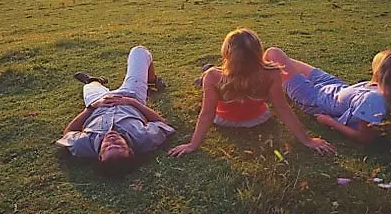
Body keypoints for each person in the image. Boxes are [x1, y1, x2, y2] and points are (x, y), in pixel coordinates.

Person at [168, 28, 335, 157]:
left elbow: (207, 114)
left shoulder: (213, 76)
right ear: (258, 52)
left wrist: (192, 145)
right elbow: (282, 109)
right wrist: (307, 140)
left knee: (209, 77)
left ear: (226, 53)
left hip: (224, 121)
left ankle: (206, 78)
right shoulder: (272, 73)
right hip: (258, 119)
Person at [264, 47, 391, 144]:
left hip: (314, 98)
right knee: (286, 61)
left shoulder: (373, 101)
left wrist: (331, 122)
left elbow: (364, 138)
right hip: (336, 86)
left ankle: (262, 88)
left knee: (273, 54)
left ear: (379, 74)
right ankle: (268, 81)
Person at [56, 45, 174, 175]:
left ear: (100, 155)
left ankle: (94, 80)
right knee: (139, 51)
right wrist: (132, 102)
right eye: (119, 145)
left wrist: (92, 107)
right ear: (130, 150)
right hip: (130, 95)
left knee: (89, 86)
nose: (111, 139)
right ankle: (151, 81)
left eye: (106, 147)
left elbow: (68, 132)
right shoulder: (144, 138)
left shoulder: (83, 145)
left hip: (98, 102)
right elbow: (162, 123)